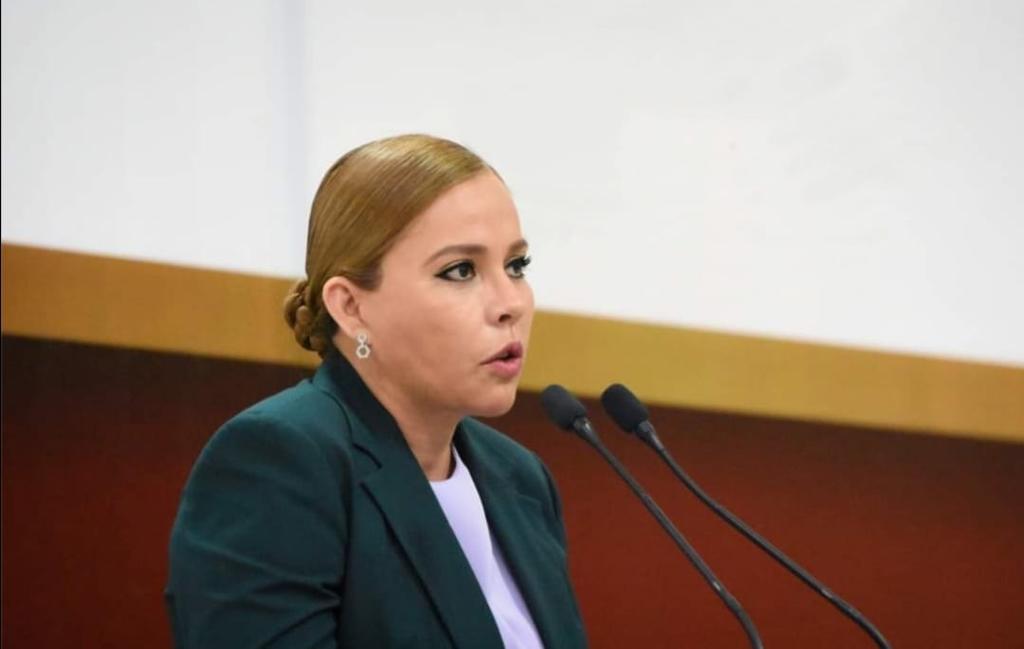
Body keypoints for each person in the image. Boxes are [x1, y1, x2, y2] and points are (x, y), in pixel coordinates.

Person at [165, 134, 588, 648]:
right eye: (460, 271)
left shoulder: (520, 479)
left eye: (516, 266)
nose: (510, 304)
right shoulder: (279, 464)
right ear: (351, 307)